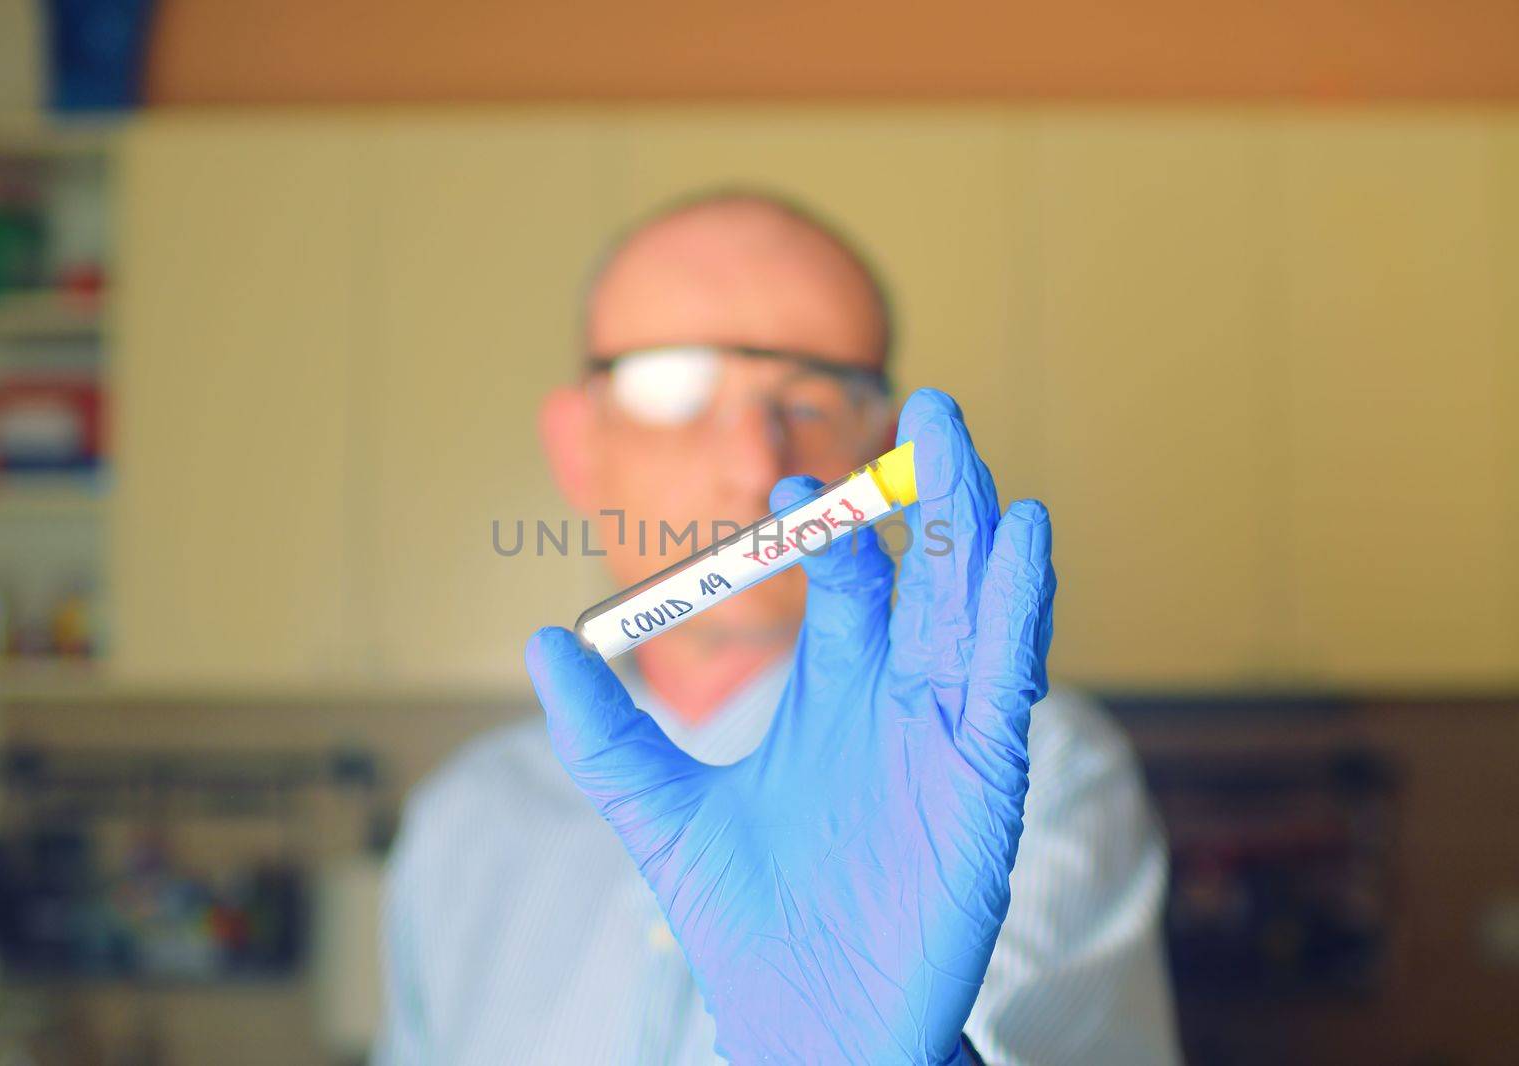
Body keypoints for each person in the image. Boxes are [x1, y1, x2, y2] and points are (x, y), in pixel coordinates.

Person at [376, 193, 1179, 1064]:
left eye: (816, 397)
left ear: (878, 442)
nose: (754, 464)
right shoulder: (462, 825)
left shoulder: (1018, 764)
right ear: (578, 447)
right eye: (672, 386)